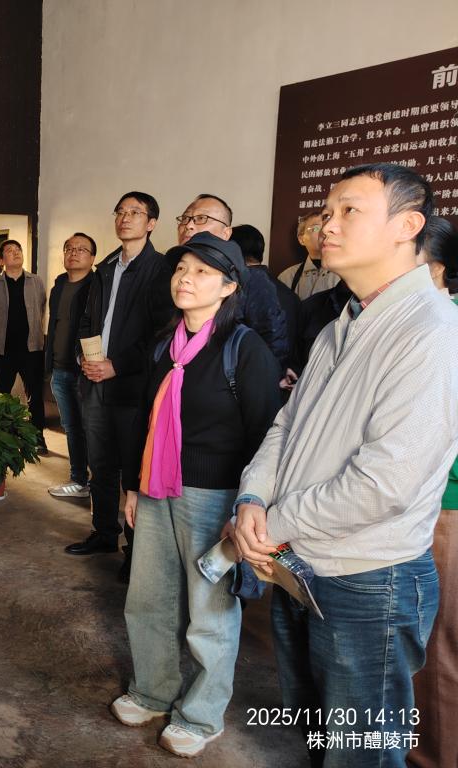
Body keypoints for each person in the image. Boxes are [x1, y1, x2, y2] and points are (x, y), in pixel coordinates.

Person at [233, 164, 458, 768]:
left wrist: (272, 523)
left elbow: (386, 483)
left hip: (368, 579)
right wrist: (252, 499)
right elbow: (288, 426)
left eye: (348, 211)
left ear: (407, 226)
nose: (326, 225)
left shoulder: (433, 331)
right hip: (301, 561)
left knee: (361, 755)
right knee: (319, 738)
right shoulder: (344, 323)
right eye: (326, 212)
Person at [112, 232, 280, 758]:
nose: (185, 278)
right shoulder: (163, 345)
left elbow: (266, 435)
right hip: (156, 487)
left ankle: (202, 715)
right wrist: (131, 486)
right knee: (148, 598)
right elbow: (143, 420)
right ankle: (152, 690)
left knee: (210, 610)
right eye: (182, 268)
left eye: (202, 272)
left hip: (214, 495)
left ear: (229, 286)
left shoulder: (243, 349)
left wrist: (248, 507)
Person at [66, 191, 172, 576]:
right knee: (100, 463)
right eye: (121, 212)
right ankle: (104, 532)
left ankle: (135, 550)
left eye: (135, 212)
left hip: (133, 387)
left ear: (151, 223)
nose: (125, 218)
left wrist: (118, 366)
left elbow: (162, 335)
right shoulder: (107, 267)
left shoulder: (161, 270)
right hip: (96, 382)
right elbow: (87, 321)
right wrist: (84, 357)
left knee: (133, 470)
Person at [408, 215, 458, 768]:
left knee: (437, 642)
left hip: (443, 506)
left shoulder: (447, 324)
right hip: (414, 502)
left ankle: (433, 756)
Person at [0, 239, 47, 452]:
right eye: (10, 250)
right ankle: (2, 439)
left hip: (32, 349)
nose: (16, 252)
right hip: (3, 351)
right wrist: (0, 332)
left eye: (18, 249)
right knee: (2, 396)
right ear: (1, 260)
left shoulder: (36, 281)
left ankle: (37, 439)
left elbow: (42, 308)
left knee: (35, 395)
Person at [44, 233, 95, 498]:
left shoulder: (97, 287)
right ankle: (79, 480)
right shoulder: (59, 286)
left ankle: (99, 482)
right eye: (69, 248)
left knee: (90, 427)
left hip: (85, 370)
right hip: (59, 368)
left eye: (81, 249)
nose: (73, 253)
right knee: (72, 427)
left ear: (92, 258)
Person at [231, 224, 298, 371]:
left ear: (233, 252)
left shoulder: (240, 289)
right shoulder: (288, 293)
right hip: (283, 374)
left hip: (250, 375)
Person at [277, 211, 340, 300]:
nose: (323, 232)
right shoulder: (287, 278)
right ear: (301, 239)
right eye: (316, 228)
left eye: (326, 227)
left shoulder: (347, 274)